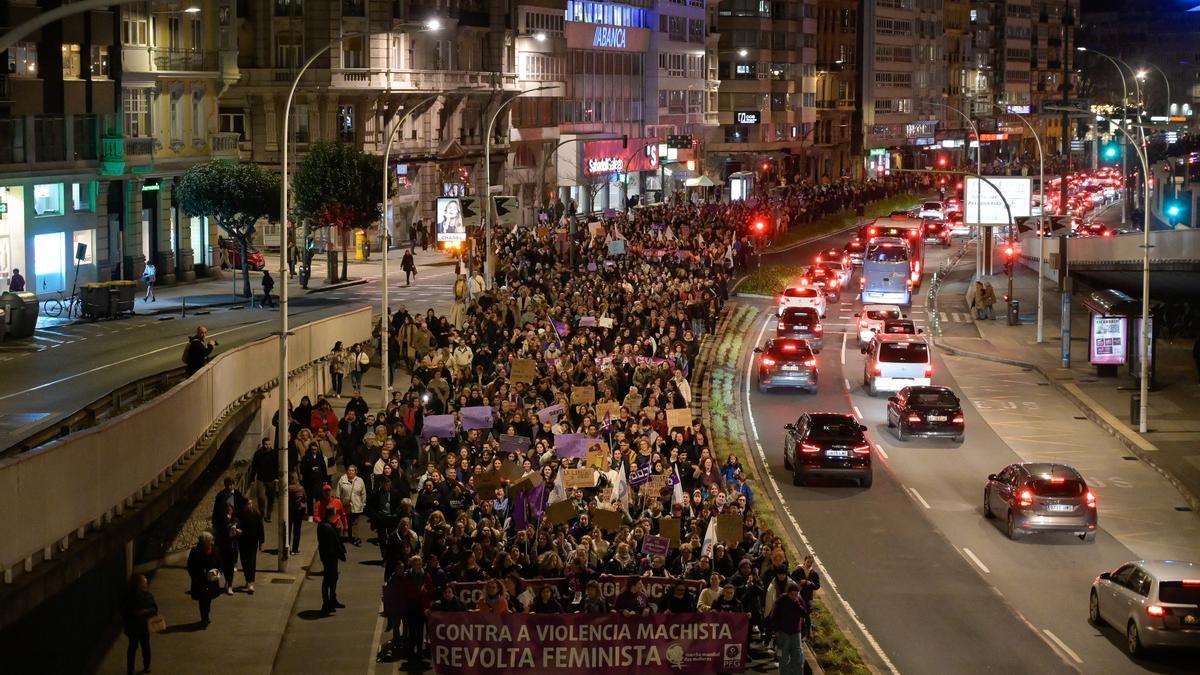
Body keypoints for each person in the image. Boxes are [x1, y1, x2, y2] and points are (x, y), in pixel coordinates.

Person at [121, 573, 157, 675]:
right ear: (138, 584)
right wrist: (134, 612)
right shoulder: (128, 596)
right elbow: (123, 610)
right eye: (144, 583)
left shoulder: (148, 596)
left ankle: (146, 666)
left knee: (144, 647)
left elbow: (154, 609)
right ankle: (131, 669)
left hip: (142, 626)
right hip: (134, 627)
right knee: (133, 647)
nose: (146, 584)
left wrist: (145, 611)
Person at [186, 531, 222, 627]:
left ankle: (206, 615)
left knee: (208, 599)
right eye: (208, 541)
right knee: (203, 600)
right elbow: (190, 566)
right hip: (200, 580)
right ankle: (204, 618)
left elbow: (219, 563)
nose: (210, 543)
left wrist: (218, 572)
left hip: (211, 579)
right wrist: (195, 577)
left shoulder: (215, 549)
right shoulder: (195, 552)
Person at [771, 582, 807, 675]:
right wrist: (776, 630)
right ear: (788, 593)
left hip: (796, 632)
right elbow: (775, 615)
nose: (794, 596)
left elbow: (804, 613)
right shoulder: (781, 600)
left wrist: (797, 603)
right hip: (784, 632)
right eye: (792, 594)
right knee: (783, 657)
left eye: (796, 594)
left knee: (798, 657)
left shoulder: (798, 600)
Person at [317, 505, 347, 613]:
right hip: (330, 557)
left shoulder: (324, 525)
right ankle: (326, 603)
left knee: (333, 579)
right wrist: (340, 554)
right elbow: (334, 544)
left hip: (327, 556)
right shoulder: (327, 527)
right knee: (329, 580)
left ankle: (332, 600)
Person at [248, 438, 279, 522]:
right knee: (261, 498)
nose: (267, 446)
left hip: (271, 479)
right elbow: (254, 467)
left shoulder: (274, 454)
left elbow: (277, 466)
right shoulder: (258, 454)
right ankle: (262, 513)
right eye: (266, 444)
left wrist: (277, 477)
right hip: (261, 479)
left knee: (271, 498)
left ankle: (268, 515)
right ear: (263, 444)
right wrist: (252, 478)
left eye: (269, 444)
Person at [238, 500, 265, 593]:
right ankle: (247, 579)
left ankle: (251, 582)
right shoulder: (241, 515)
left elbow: (260, 528)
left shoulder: (256, 515)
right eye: (248, 504)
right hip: (242, 542)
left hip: (253, 542)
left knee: (252, 562)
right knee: (244, 562)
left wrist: (261, 542)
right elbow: (237, 526)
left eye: (251, 503)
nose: (250, 505)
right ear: (244, 505)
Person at [214, 503, 241, 596]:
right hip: (224, 546)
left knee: (230, 566)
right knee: (225, 566)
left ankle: (230, 585)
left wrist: (238, 531)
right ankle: (227, 582)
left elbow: (239, 531)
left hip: (233, 546)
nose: (229, 511)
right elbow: (220, 532)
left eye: (230, 509)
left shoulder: (235, 520)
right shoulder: (222, 520)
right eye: (227, 510)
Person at [336, 465, 367, 545]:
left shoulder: (360, 480)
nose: (350, 472)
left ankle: (355, 537)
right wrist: (338, 503)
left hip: (357, 505)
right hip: (345, 505)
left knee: (355, 522)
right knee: (347, 521)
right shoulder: (342, 480)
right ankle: (349, 536)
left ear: (356, 472)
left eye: (352, 470)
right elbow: (338, 493)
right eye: (349, 470)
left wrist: (363, 504)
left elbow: (363, 494)